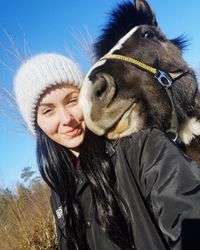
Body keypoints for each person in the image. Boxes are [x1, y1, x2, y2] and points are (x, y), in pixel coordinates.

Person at [14, 52, 200, 250]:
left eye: (71, 100)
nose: (66, 119)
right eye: (48, 110)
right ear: (37, 125)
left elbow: (187, 215)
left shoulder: (140, 144)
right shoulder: (60, 193)